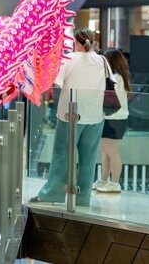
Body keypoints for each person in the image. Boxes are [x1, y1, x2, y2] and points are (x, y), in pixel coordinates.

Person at [30, 28, 105, 207]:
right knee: (89, 159)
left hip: (70, 115)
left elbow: (54, 83)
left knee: (62, 156)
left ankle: (51, 194)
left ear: (76, 42)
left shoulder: (69, 59)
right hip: (95, 116)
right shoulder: (102, 60)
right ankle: (82, 197)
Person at [95, 48, 130, 193]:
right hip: (108, 117)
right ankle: (103, 179)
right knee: (105, 152)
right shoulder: (118, 77)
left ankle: (115, 182)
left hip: (116, 118)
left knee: (112, 152)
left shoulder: (116, 78)